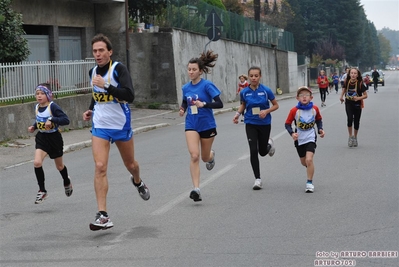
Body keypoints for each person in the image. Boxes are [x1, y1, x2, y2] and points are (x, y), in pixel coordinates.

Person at [83, 33, 150, 231]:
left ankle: (137, 181)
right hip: (100, 125)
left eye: (101, 50)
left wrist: (107, 86)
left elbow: (129, 95)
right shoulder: (92, 71)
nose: (98, 54)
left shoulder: (118, 69)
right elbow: (97, 95)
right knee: (100, 166)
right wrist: (90, 109)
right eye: (95, 51)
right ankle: (103, 215)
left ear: (109, 52)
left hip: (120, 124)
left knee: (130, 164)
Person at [178, 50, 223, 202]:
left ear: (200, 71)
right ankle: (196, 189)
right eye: (189, 69)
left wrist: (204, 104)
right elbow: (185, 100)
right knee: (194, 155)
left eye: (194, 69)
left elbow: (219, 103)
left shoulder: (207, 85)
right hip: (191, 123)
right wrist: (183, 108)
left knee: (204, 157)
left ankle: (211, 156)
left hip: (207, 125)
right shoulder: (186, 87)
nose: (190, 72)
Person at [232, 66, 279, 190]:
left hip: (264, 124)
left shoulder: (266, 90)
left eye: (256, 76)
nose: (253, 78)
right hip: (250, 123)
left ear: (260, 77)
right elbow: (243, 105)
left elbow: (276, 105)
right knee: (253, 150)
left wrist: (267, 111)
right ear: (249, 77)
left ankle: (269, 145)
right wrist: (237, 115)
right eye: (251, 76)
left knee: (262, 152)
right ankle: (257, 179)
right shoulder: (244, 92)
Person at [28, 83, 73, 204]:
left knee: (59, 166)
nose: (39, 96)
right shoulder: (36, 107)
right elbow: (39, 121)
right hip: (42, 138)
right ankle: (42, 190)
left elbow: (66, 120)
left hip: (54, 139)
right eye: (37, 94)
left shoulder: (53, 107)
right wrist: (34, 127)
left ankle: (66, 181)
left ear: (48, 95)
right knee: (37, 162)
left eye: (42, 93)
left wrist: (52, 119)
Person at [284, 86, 325, 193]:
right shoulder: (294, 111)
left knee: (309, 159)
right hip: (299, 139)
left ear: (311, 97)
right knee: (304, 162)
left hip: (311, 137)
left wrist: (320, 129)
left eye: (306, 95)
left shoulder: (315, 109)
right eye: (301, 95)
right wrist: (292, 133)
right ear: (297, 98)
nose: (304, 97)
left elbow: (319, 120)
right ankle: (310, 168)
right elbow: (287, 124)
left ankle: (309, 183)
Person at [339, 67, 368, 147]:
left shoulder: (360, 83)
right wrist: (341, 97)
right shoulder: (346, 82)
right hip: (348, 103)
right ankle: (350, 136)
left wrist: (358, 98)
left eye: (355, 73)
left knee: (356, 121)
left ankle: (355, 137)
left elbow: (366, 95)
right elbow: (344, 90)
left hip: (357, 104)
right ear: (349, 74)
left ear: (357, 75)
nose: (353, 75)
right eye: (352, 73)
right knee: (349, 119)